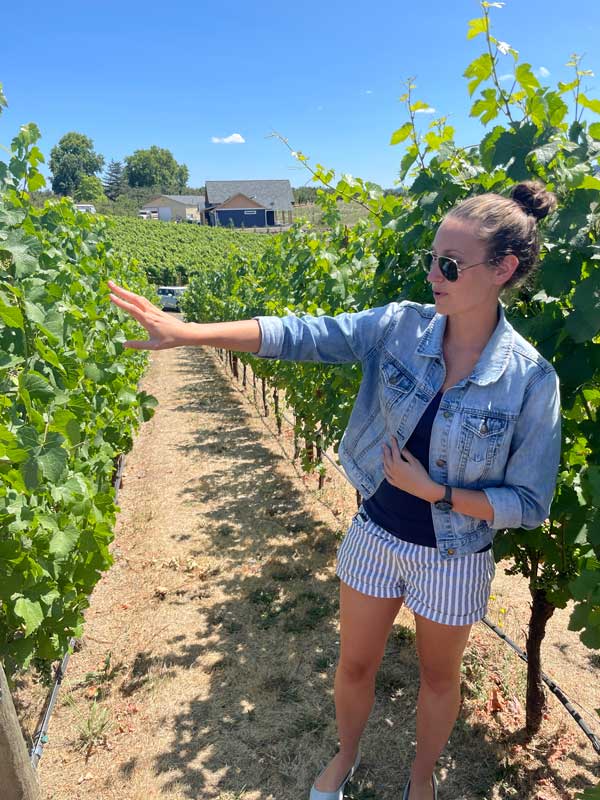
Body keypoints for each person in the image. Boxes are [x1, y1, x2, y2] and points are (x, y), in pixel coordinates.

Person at [107, 180, 562, 800]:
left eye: (449, 264)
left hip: (454, 557)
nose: (434, 274)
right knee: (353, 664)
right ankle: (344, 758)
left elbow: (530, 504)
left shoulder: (530, 380)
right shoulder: (400, 328)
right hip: (376, 534)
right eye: (431, 258)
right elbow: (303, 333)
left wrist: (438, 493)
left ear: (503, 269)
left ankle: (421, 780)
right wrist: (189, 334)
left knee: (437, 679)